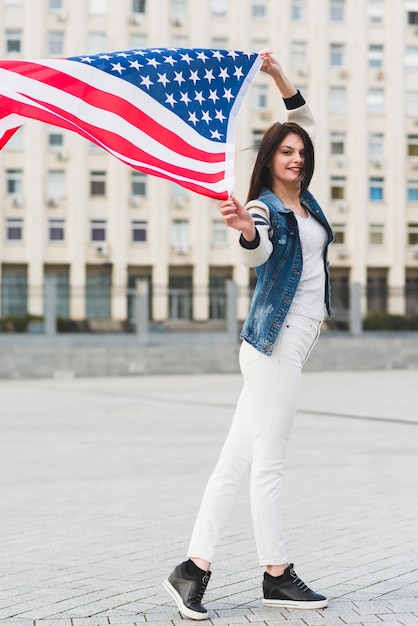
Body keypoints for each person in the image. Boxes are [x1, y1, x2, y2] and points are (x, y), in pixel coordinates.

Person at [163, 50, 334, 620]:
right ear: (269, 158)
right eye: (285, 152)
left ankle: (193, 568)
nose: (295, 158)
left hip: (289, 345)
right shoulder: (264, 207)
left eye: (300, 154)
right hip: (273, 345)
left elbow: (304, 124)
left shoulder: (305, 201)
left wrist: (280, 76)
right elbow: (258, 251)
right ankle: (277, 573)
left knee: (235, 463)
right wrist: (243, 234)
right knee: (271, 460)